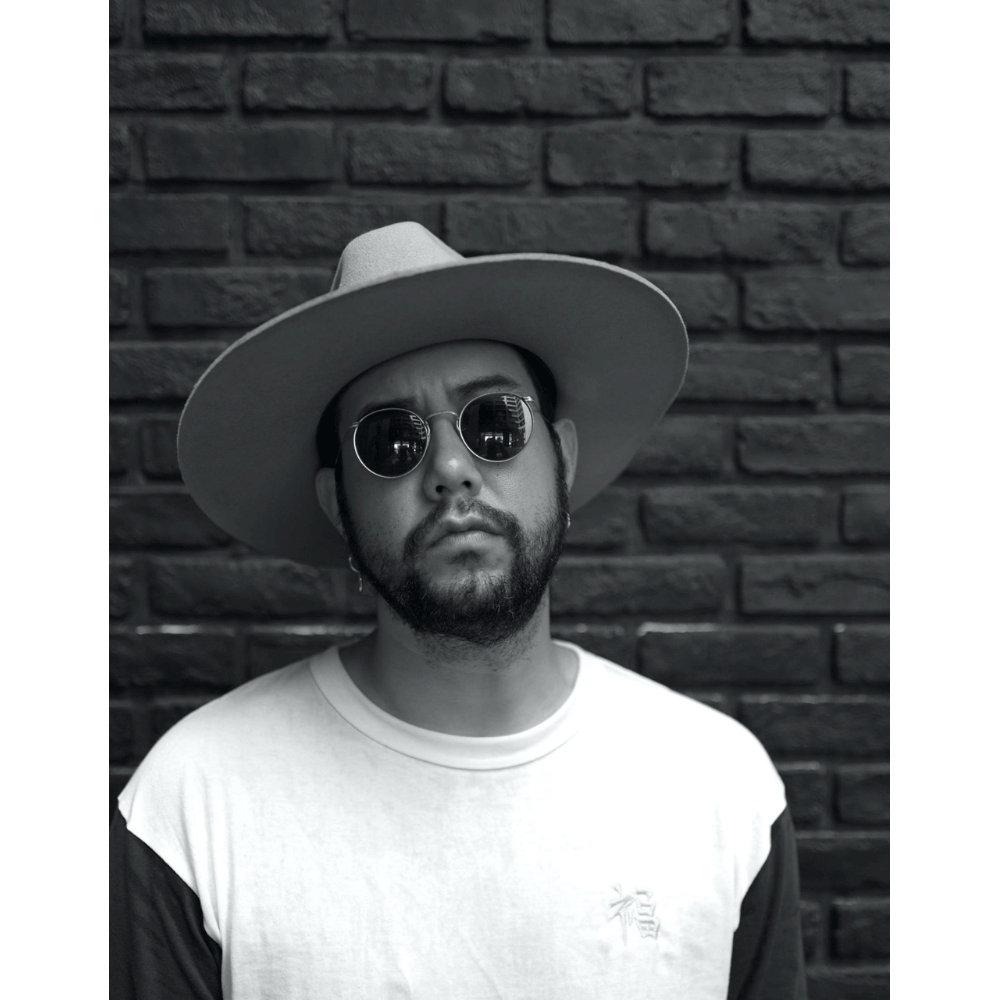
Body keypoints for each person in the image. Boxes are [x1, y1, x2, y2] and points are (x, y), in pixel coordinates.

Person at [110, 222, 807, 999]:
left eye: (494, 422)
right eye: (390, 441)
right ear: (337, 504)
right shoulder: (193, 804)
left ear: (563, 459)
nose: (450, 469)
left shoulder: (721, 788)